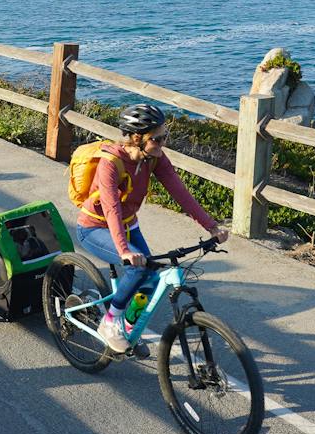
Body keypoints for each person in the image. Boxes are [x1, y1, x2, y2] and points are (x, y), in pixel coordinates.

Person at [75, 104, 229, 354]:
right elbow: (111, 208)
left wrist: (211, 226)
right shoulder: (111, 163)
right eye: (157, 139)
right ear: (137, 138)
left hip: (128, 224)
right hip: (95, 227)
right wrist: (124, 250)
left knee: (153, 277)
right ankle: (110, 322)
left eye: (164, 137)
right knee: (137, 270)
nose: (163, 143)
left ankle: (127, 326)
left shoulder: (154, 157)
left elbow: (180, 193)